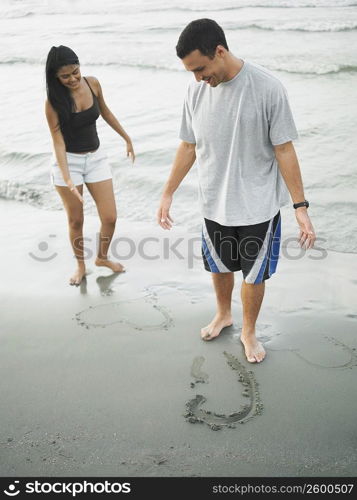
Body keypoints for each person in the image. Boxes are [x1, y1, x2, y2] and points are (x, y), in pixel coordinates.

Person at [157, 19, 316, 363]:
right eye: (191, 72)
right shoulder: (195, 91)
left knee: (254, 273)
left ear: (220, 51)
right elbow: (188, 145)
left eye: (200, 68)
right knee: (218, 265)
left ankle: (248, 330)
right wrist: (168, 192)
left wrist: (299, 206)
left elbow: (284, 150)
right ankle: (223, 313)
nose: (198, 78)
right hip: (213, 201)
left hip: (257, 205)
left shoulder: (267, 88)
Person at [45, 45, 135, 286]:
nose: (73, 78)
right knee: (76, 220)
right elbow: (58, 143)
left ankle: (102, 258)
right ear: (55, 76)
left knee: (110, 217)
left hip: (95, 159)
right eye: (66, 76)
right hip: (68, 162)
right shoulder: (53, 102)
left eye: (75, 71)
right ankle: (80, 266)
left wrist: (126, 137)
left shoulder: (92, 83)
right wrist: (68, 179)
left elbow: (106, 113)